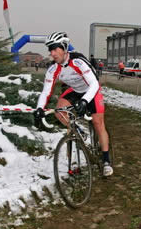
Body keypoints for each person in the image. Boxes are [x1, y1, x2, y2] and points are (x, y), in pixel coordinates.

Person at [33, 31, 113, 176]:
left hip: (91, 90)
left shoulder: (78, 62)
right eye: (50, 49)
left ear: (64, 47)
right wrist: (39, 108)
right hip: (75, 90)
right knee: (59, 111)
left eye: (55, 48)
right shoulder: (53, 69)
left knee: (98, 123)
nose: (53, 53)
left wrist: (84, 101)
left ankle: (106, 160)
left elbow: (94, 83)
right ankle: (78, 131)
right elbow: (46, 92)